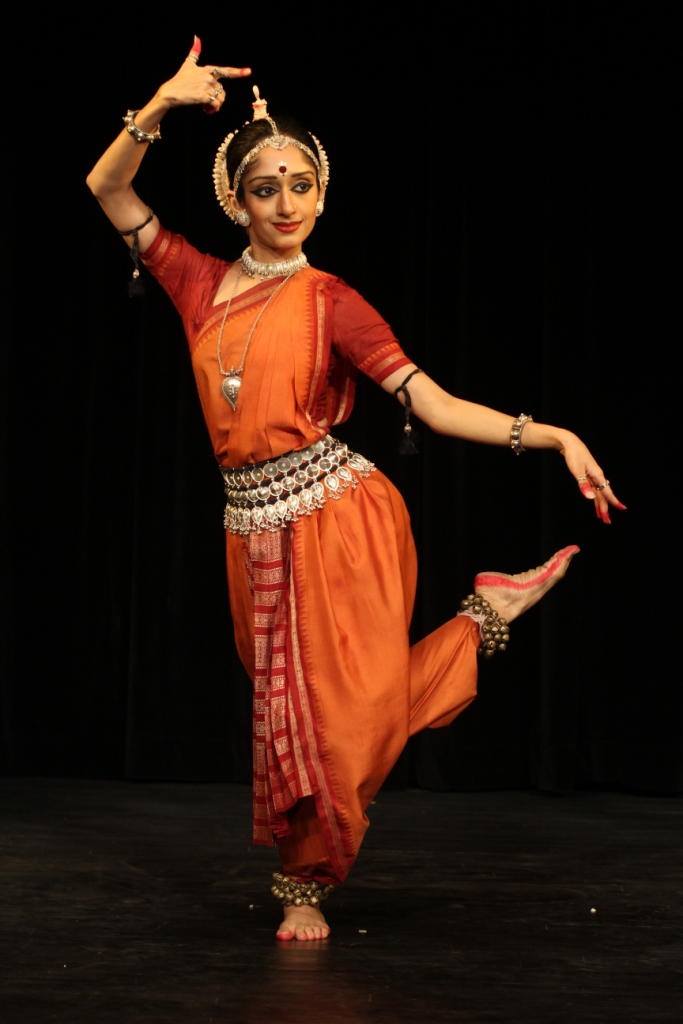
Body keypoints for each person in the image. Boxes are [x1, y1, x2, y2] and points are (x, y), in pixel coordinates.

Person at [87, 37, 625, 942]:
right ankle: (483, 618)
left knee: (352, 723)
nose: (286, 203)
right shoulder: (197, 285)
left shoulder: (334, 300)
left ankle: (305, 885)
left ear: (322, 194)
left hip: (340, 520)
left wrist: (553, 435)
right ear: (237, 200)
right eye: (267, 187)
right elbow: (107, 189)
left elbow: (437, 404)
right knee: (290, 717)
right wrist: (161, 106)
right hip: (249, 533)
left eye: (302, 185)